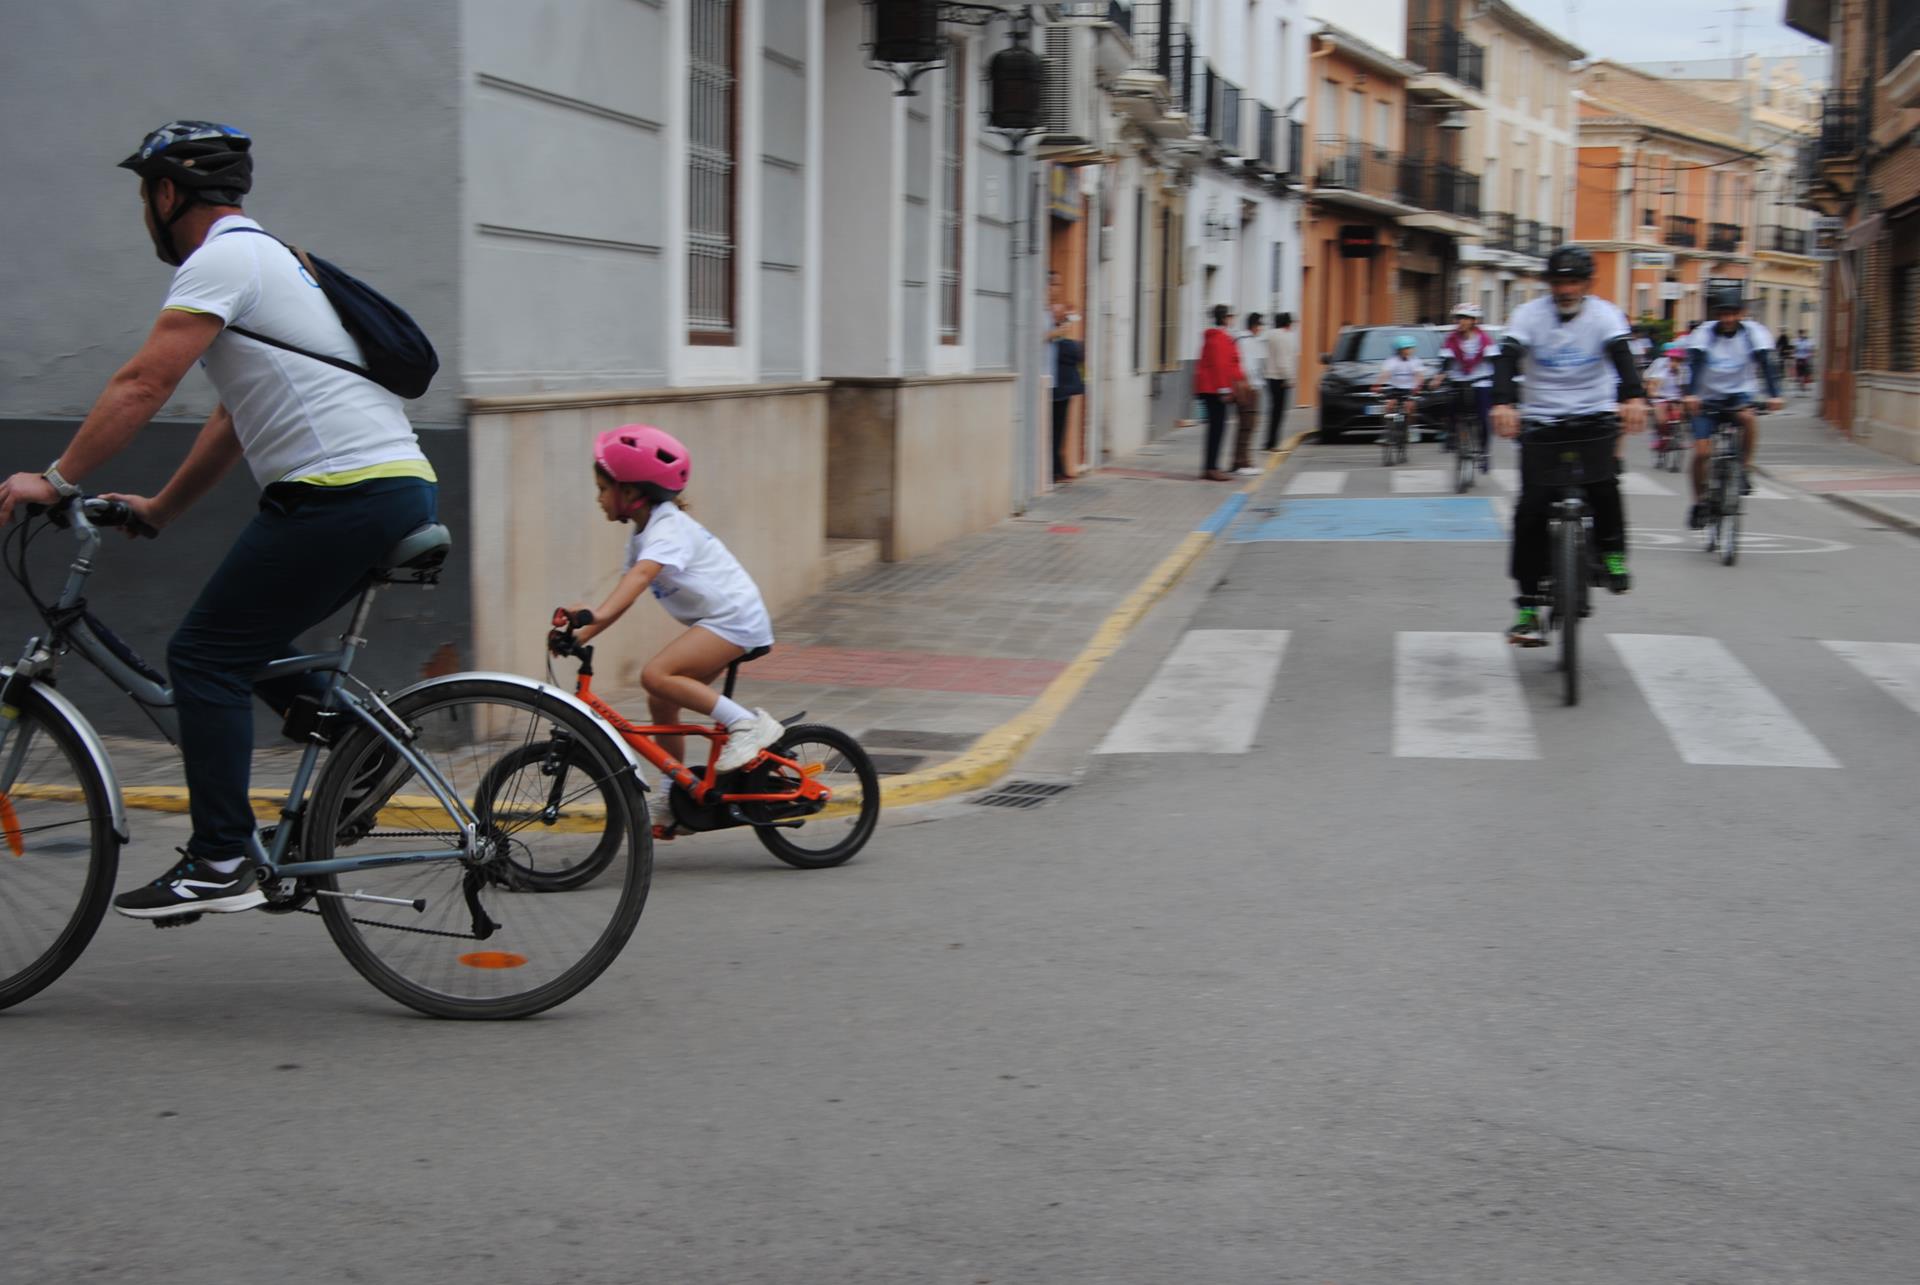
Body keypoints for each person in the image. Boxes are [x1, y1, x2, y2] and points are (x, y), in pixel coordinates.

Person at [0, 121, 441, 919]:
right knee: (242, 643)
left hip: (342, 492)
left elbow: (144, 382)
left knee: (203, 656)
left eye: (145, 196)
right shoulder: (272, 262)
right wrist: (161, 508)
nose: (145, 212)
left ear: (168, 194)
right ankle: (363, 746)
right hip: (383, 486)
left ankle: (220, 857)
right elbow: (233, 419)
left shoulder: (222, 260)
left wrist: (55, 478)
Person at [558, 426, 780, 776]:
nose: (598, 498)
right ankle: (676, 787)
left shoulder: (667, 528)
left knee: (655, 675)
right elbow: (627, 593)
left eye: (602, 489)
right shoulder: (643, 534)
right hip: (720, 620)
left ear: (630, 491)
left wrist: (595, 614)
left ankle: (747, 724)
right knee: (661, 701)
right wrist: (580, 637)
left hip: (735, 619)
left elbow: (641, 576)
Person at [1492, 245, 1649, 646]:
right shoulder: (1529, 315)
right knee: (1530, 510)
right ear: (1549, 284)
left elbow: (1622, 357)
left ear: (1587, 284)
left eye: (1574, 282)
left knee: (1604, 486)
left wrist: (1633, 397)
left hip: (1594, 415)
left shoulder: (1604, 315)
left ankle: (1613, 555)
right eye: (1559, 282)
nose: (1566, 290)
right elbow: (1507, 358)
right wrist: (1503, 403)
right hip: (1541, 420)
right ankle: (1528, 607)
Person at [1681, 287, 1781, 527]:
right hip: (1706, 397)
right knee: (1702, 453)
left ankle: (1744, 469)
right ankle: (1699, 503)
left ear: (1741, 313)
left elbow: (1766, 363)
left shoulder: (1754, 333)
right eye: (1723, 314)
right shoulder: (1704, 333)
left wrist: (1775, 395)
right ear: (1716, 314)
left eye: (1733, 313)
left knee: (1748, 418)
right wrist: (1691, 394)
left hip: (1738, 395)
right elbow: (1695, 363)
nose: (1728, 319)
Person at [1432, 303, 1496, 469]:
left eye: (1464, 318)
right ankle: (1451, 435)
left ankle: (1484, 452)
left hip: (1480, 380)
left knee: (1483, 417)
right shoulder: (1451, 339)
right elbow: (1445, 362)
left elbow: (1495, 361)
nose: (1460, 321)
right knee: (1449, 405)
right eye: (1458, 318)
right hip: (1458, 379)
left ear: (1474, 320)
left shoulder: (1485, 339)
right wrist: (1439, 377)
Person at [1193, 305, 1245, 481]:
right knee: (1217, 429)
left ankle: (1210, 466)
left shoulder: (1217, 337)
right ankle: (1211, 468)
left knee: (1216, 428)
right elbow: (1220, 366)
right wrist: (1225, 390)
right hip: (1214, 389)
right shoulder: (1219, 338)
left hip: (1211, 388)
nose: (1232, 320)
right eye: (1230, 317)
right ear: (1224, 319)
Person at [1049, 311, 1085, 484]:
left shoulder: (1057, 345)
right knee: (1057, 432)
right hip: (1059, 392)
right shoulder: (1064, 345)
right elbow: (1078, 356)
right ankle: (1056, 470)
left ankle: (1058, 469)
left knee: (1057, 432)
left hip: (1060, 391)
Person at [1643, 341, 1690, 462]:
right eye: (1673, 359)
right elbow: (1653, 384)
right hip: (1661, 397)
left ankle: (1679, 437)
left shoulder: (1684, 371)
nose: (1675, 362)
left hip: (1676, 399)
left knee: (1680, 415)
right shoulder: (1661, 368)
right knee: (1662, 420)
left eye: (1678, 360)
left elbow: (1685, 389)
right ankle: (1661, 437)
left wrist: (1684, 399)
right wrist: (1653, 393)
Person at [1232, 313, 1266, 475]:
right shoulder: (1246, 341)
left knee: (1248, 425)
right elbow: (1247, 366)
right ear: (1254, 326)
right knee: (1247, 425)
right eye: (1260, 325)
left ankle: (1242, 460)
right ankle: (1241, 461)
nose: (1261, 329)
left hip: (1250, 386)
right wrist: (1250, 386)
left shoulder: (1245, 340)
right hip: (1248, 388)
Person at [1371, 334, 1426, 431]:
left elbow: (1419, 375)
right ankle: (1388, 428)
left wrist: (1418, 386)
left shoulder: (1415, 361)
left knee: (1409, 407)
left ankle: (1409, 427)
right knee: (1389, 405)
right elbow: (1385, 374)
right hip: (1395, 388)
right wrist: (1377, 385)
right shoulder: (1392, 361)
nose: (1411, 350)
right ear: (1400, 350)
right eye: (1407, 348)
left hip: (1409, 389)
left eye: (1411, 348)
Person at [1263, 311, 1299, 451]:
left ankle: (1269, 441)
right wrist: (1289, 378)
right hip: (1281, 379)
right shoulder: (1284, 337)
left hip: (1270, 377)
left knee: (1274, 411)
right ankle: (1273, 443)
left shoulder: (1271, 335)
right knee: (1278, 413)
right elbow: (1283, 361)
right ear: (1288, 323)